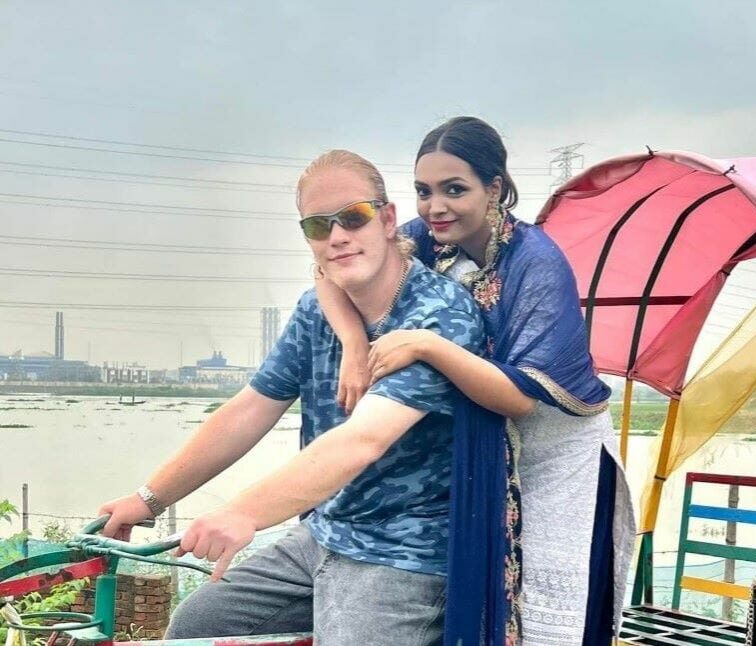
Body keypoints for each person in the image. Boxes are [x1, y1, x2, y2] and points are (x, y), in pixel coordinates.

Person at [97, 149, 485, 646]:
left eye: (354, 217)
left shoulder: (439, 315)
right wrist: (148, 498)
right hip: (324, 531)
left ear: (388, 220)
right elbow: (251, 408)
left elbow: (361, 440)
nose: (338, 236)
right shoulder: (316, 311)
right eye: (318, 226)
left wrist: (242, 513)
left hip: (403, 549)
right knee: (197, 628)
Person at [318, 117, 635, 645]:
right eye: (423, 191)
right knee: (481, 583)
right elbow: (330, 271)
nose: (434, 206)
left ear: (495, 189)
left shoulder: (536, 262)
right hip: (485, 441)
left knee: (543, 611)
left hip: (553, 448)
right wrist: (355, 344)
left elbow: (521, 399)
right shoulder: (424, 239)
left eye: (454, 190)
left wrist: (428, 344)